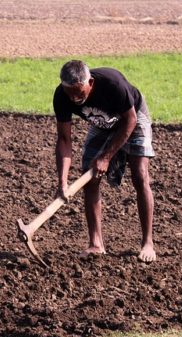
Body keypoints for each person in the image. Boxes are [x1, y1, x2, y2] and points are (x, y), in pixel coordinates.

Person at [53, 60, 157, 263]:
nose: (75, 99)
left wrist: (106, 157)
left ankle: (147, 242)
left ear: (90, 82)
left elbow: (130, 121)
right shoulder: (61, 96)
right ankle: (96, 244)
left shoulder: (113, 84)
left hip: (132, 117)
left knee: (140, 175)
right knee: (89, 177)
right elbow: (64, 139)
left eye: (79, 93)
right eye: (70, 93)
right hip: (102, 122)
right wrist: (62, 182)